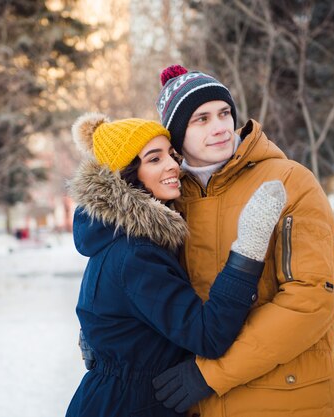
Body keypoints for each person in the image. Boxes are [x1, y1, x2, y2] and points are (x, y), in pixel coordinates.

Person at [151, 65, 334, 416]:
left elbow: (311, 298)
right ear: (178, 134)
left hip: (291, 401)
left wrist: (211, 374)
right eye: (201, 119)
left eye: (224, 113)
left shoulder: (289, 181)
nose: (219, 128)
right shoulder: (173, 199)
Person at [65, 113, 286, 417]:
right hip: (129, 406)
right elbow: (208, 335)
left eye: (171, 154)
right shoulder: (136, 253)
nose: (173, 165)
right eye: (154, 159)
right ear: (126, 176)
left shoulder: (114, 237)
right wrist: (247, 252)